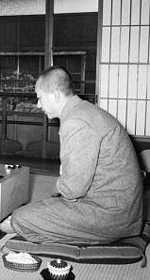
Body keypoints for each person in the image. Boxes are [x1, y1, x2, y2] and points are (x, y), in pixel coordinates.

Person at [11, 66, 143, 245]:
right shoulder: (84, 110)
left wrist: (53, 191)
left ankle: (87, 238)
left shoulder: (77, 121)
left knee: (20, 218)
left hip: (111, 215)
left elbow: (73, 189)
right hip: (120, 209)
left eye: (40, 98)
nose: (38, 105)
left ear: (55, 95)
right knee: (41, 210)